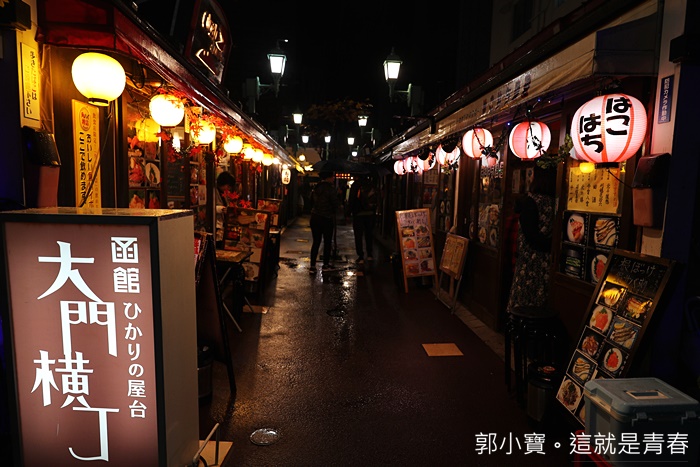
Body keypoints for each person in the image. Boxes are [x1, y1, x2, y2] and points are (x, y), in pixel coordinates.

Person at [506, 166, 556, 314]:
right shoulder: (555, 202)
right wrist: (553, 246)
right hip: (546, 262)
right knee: (540, 303)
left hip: (529, 263)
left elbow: (531, 236)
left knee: (523, 303)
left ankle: (519, 332)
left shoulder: (531, 201)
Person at [309, 171, 339, 273]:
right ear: (329, 178)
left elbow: (310, 201)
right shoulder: (331, 189)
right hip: (326, 217)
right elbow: (335, 204)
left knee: (316, 241)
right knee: (327, 242)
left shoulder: (316, 187)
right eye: (333, 177)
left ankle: (312, 265)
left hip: (315, 217)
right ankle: (325, 265)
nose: (334, 179)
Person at [347, 175, 378, 264]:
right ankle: (369, 254)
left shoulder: (355, 185)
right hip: (370, 214)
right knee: (369, 234)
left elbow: (351, 199)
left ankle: (360, 256)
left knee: (358, 235)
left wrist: (348, 212)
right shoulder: (372, 184)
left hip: (358, 214)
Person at [215, 171, 236, 246]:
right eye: (228, 186)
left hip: (222, 225)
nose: (229, 189)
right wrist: (221, 209)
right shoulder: (214, 191)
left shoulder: (224, 194)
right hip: (216, 226)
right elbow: (208, 207)